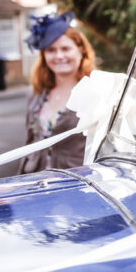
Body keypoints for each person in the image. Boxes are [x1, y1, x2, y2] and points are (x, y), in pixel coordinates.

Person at [18, 12, 96, 174]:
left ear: (81, 50)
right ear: (44, 55)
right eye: (51, 50)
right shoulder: (37, 94)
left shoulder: (96, 94)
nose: (59, 56)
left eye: (66, 48)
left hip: (75, 183)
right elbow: (30, 143)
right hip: (35, 181)